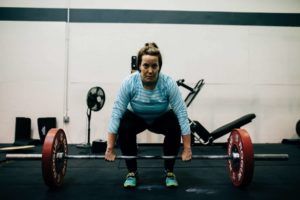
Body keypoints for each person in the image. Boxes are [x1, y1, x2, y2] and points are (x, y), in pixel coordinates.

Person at [104, 42, 192, 188]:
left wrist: (187, 148)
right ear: (139, 66)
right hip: (136, 118)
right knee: (124, 124)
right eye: (146, 66)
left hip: (161, 118)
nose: (150, 71)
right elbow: (116, 113)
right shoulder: (129, 82)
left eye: (154, 66)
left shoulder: (168, 83)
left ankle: (169, 171)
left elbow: (182, 113)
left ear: (159, 67)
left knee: (174, 122)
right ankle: (131, 172)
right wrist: (110, 147)